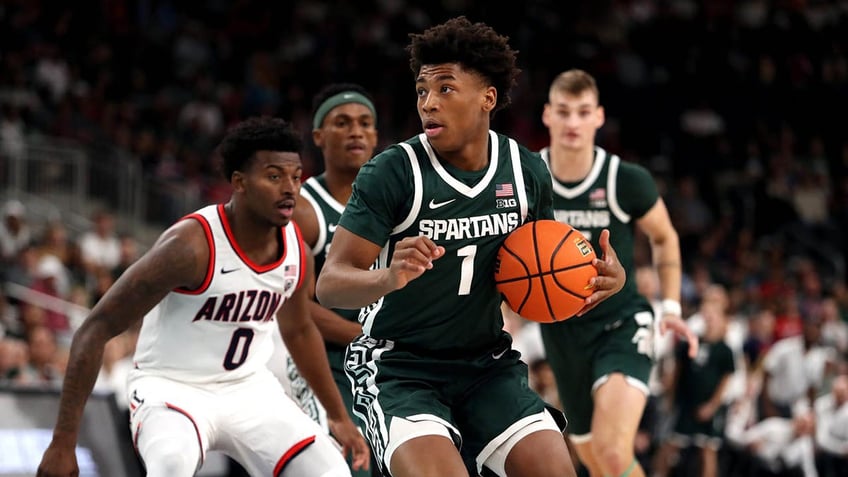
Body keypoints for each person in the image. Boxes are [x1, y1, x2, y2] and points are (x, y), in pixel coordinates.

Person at [315, 17, 626, 477]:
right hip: (398, 367)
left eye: (445, 89)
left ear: (488, 98)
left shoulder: (525, 172)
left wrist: (595, 281)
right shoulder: (393, 172)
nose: (428, 103)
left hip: (486, 364)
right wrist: (387, 278)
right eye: (422, 91)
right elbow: (330, 285)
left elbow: (544, 269)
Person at [37, 117, 369, 477]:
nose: (289, 188)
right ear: (239, 183)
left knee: (331, 471)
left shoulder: (297, 253)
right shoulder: (189, 247)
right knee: (171, 466)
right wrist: (63, 441)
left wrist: (338, 416)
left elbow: (301, 331)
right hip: (172, 388)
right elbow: (95, 328)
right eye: (274, 176)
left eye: (296, 176)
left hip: (248, 389)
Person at [537, 68, 698, 477]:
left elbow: (664, 237)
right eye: (564, 111)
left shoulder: (624, 179)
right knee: (593, 457)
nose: (573, 122)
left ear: (599, 117)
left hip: (622, 321)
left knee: (611, 452)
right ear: (547, 116)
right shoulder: (526, 177)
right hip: (561, 332)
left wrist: (672, 306)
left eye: (583, 111)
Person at [274, 82, 381, 476]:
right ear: (318, 136)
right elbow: (290, 305)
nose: (356, 131)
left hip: (383, 360)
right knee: (346, 466)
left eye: (365, 123)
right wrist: (362, 336)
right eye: (342, 122)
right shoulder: (303, 209)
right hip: (321, 361)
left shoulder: (397, 202)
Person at [652, 302, 735, 477]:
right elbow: (677, 372)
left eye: (715, 317)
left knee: (708, 450)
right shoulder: (690, 342)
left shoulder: (725, 350)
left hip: (709, 407)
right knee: (670, 445)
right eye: (708, 316)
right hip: (686, 404)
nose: (711, 321)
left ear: (723, 321)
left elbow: (725, 381)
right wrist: (671, 397)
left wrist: (712, 406)